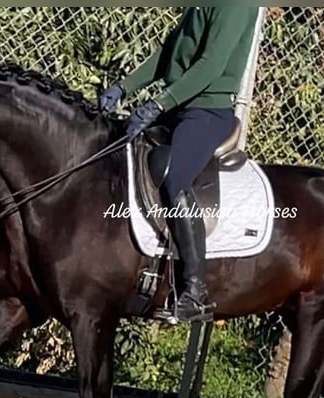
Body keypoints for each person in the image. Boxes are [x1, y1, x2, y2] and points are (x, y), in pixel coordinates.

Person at [98, 6, 260, 323]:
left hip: (207, 112)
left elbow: (211, 66)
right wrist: (124, 87)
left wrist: (159, 103)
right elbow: (169, 55)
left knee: (174, 180)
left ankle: (195, 291)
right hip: (178, 107)